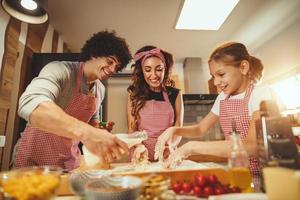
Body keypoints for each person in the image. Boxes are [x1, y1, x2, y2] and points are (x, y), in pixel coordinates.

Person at [155, 42, 274, 178]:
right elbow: (200, 129)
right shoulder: (223, 98)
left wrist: (191, 147)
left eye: (221, 74)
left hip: (265, 177)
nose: (216, 82)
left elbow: (252, 146)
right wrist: (174, 130)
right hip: (239, 174)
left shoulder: (260, 94)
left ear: (243, 67)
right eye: (213, 76)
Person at [15, 31, 131, 170]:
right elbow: (30, 103)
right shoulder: (60, 70)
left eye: (117, 67)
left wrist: (99, 129)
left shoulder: (100, 89)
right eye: (110, 61)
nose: (112, 69)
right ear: (95, 53)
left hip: (67, 161)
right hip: (33, 160)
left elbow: (92, 121)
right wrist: (88, 133)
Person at [127, 45, 184, 162]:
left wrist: (169, 146)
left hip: (168, 155)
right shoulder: (133, 94)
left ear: (165, 69)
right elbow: (132, 128)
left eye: (159, 69)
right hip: (141, 155)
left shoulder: (175, 94)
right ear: (142, 71)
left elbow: (178, 129)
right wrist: (139, 147)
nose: (154, 75)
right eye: (147, 70)